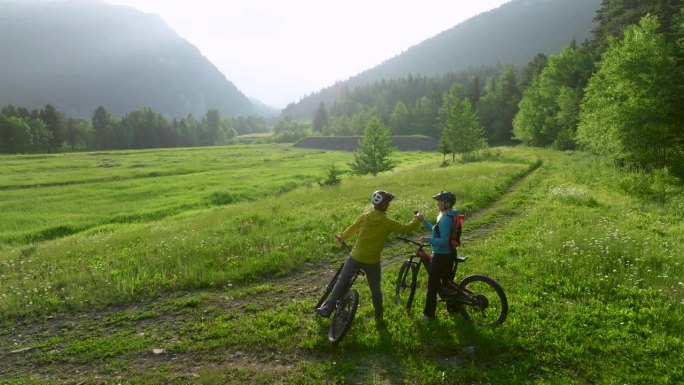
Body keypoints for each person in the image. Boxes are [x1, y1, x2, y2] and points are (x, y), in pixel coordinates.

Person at [316, 190, 422, 321]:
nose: (389, 206)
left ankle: (327, 308)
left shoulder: (365, 216)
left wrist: (343, 237)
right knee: (375, 289)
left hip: (355, 256)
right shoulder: (387, 223)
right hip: (372, 261)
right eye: (388, 203)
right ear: (383, 205)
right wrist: (417, 219)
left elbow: (353, 227)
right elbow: (406, 229)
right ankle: (379, 316)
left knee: (342, 281)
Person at [418, 191, 459, 321]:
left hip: (442, 256)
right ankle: (453, 309)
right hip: (449, 254)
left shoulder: (446, 219)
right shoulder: (448, 215)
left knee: (432, 286)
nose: (437, 203)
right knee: (447, 283)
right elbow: (436, 231)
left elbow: (443, 241)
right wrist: (424, 220)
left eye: (439, 201)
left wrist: (427, 240)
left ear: (446, 203)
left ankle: (428, 315)